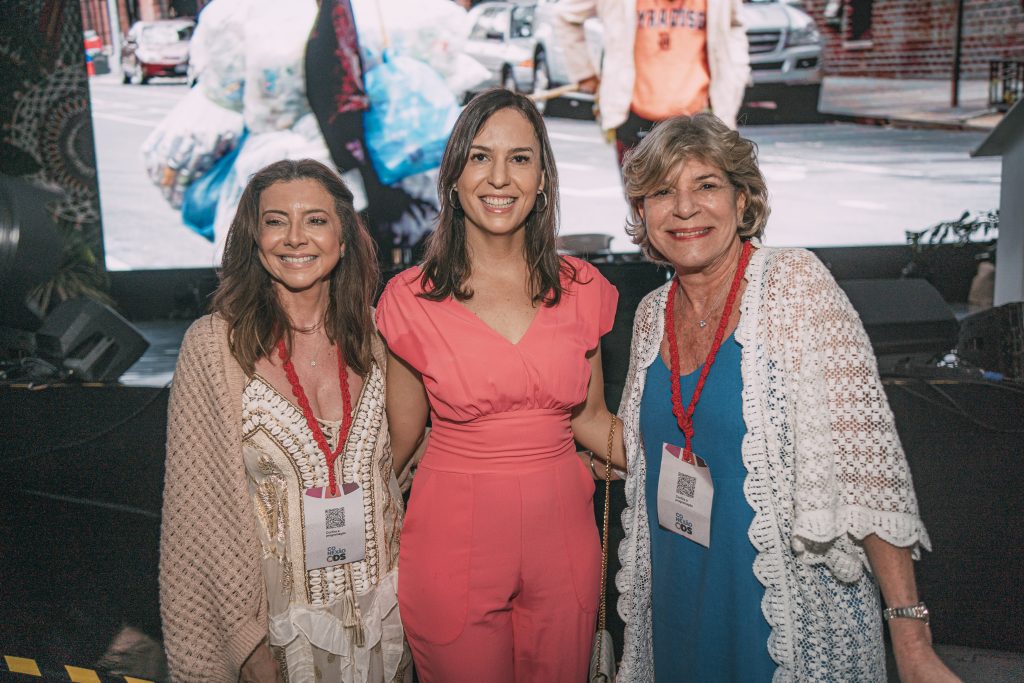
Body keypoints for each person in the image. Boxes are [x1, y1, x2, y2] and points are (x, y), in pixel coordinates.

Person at [612, 113, 961, 682]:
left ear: (743, 199)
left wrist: (912, 639)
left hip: (781, 617)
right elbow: (639, 450)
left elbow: (866, 469)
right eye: (661, 192)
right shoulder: (652, 315)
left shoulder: (795, 286)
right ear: (641, 212)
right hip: (678, 605)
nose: (684, 208)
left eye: (706, 185)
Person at [374, 88, 623, 682]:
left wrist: (692, 457)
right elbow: (397, 443)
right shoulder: (410, 299)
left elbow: (592, 420)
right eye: (480, 157)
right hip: (450, 548)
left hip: (565, 545)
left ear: (542, 178)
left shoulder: (583, 287)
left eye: (520, 158)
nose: (499, 177)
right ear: (453, 176)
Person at [160, 159, 411, 682]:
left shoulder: (380, 337)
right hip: (279, 637)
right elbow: (195, 517)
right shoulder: (214, 347)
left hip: (388, 622)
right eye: (276, 221)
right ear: (254, 241)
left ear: (343, 238)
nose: (295, 237)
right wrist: (246, 648)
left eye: (316, 220)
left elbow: (417, 460)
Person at [554, 0, 750, 165]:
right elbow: (566, 16)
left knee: (691, 204)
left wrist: (736, 75)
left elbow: (734, 27)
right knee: (645, 205)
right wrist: (584, 73)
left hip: (700, 120)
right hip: (634, 118)